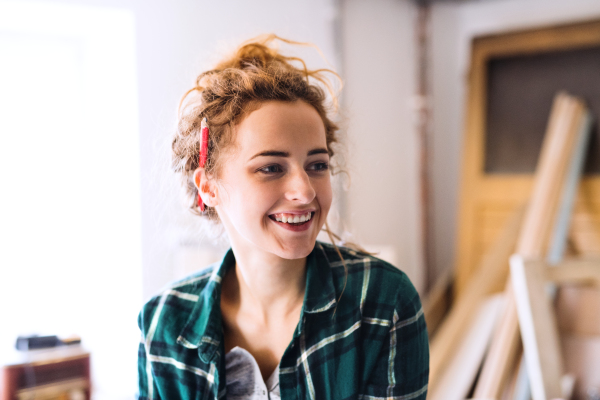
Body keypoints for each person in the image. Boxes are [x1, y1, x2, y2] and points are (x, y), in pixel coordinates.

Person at [137, 34, 429, 400]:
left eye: (317, 165)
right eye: (272, 167)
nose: (305, 191)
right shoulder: (163, 325)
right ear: (208, 186)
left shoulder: (383, 304)